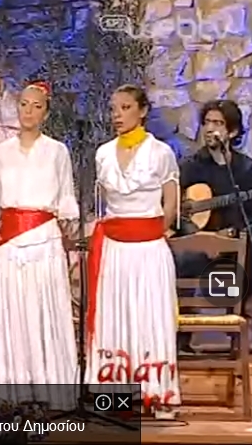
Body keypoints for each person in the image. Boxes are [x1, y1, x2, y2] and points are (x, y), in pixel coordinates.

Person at [0, 81, 79, 410]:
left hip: (44, 243)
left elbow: (66, 200)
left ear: (46, 113)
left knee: (43, 314)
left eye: (37, 106)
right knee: (12, 317)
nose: (29, 111)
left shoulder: (57, 152)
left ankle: (50, 390)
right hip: (7, 247)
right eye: (24, 104)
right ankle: (8, 392)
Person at [87, 84, 181, 419]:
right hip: (114, 252)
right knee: (115, 318)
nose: (117, 115)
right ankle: (116, 395)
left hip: (148, 251)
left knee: (150, 318)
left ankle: (158, 394)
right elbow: (104, 206)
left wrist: (150, 233)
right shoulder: (102, 154)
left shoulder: (161, 153)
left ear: (142, 111)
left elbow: (171, 205)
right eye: (114, 108)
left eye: (125, 108)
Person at [174, 100, 252, 353]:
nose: (210, 129)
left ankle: (236, 328)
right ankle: (183, 337)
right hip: (197, 247)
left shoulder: (247, 169)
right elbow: (176, 211)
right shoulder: (190, 166)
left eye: (218, 123)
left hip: (236, 244)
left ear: (232, 131)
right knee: (183, 256)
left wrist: (230, 235)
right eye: (207, 123)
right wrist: (201, 235)